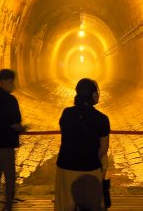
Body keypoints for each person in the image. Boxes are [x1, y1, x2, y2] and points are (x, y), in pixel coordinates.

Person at [55, 78, 110, 211]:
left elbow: (65, 136)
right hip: (90, 169)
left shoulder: (66, 113)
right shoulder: (102, 119)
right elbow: (103, 149)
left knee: (67, 205)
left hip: (66, 167)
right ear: (93, 95)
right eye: (96, 92)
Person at [0, 69, 26, 211]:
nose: (13, 83)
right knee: (10, 177)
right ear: (5, 81)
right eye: (11, 80)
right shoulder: (10, 100)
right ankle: (8, 206)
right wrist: (23, 128)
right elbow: (14, 124)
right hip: (5, 144)